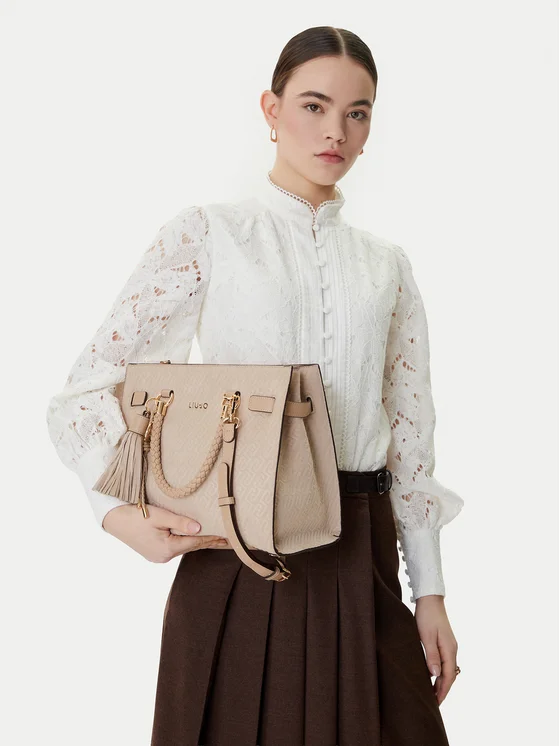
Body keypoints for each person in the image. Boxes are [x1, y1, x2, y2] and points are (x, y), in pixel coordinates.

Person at [46, 25, 465, 746]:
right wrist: (117, 512)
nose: (335, 131)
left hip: (362, 557)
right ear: (271, 110)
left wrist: (429, 593)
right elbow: (86, 392)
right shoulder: (210, 236)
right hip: (237, 555)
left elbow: (411, 442)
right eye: (313, 105)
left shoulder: (386, 266)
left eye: (357, 113)